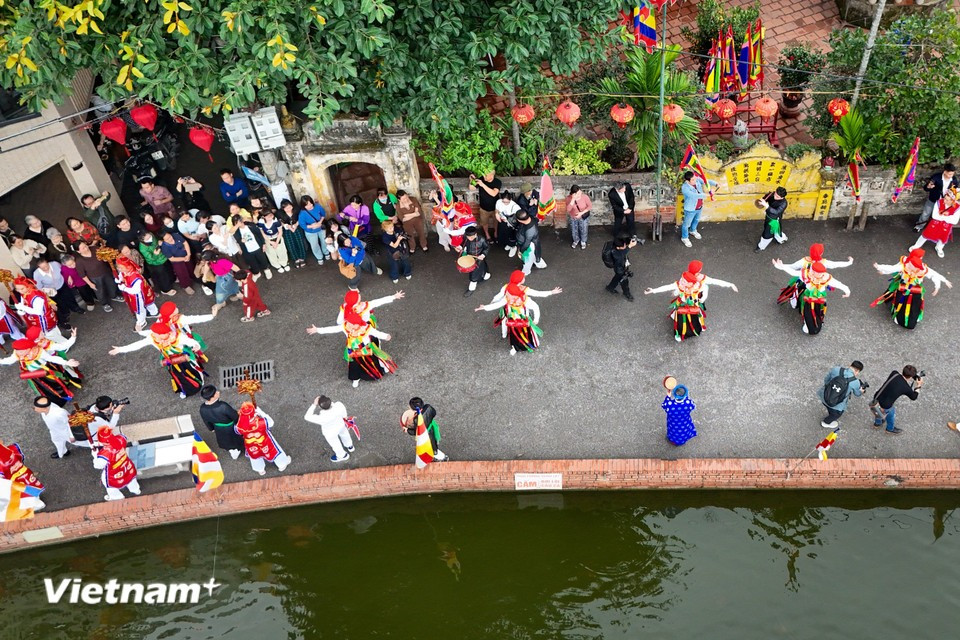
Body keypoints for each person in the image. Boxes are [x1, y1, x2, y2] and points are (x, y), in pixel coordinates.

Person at [644, 260, 739, 342]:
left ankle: (682, 334)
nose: (683, 282)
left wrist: (655, 291)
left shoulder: (684, 281)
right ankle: (692, 329)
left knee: (683, 319)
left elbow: (670, 287)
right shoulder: (697, 283)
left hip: (685, 303)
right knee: (693, 316)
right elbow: (713, 283)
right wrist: (729, 285)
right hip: (693, 302)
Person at [474, 270, 562, 355]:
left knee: (511, 328)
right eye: (523, 277)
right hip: (520, 317)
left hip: (511, 315)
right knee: (523, 331)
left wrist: (486, 306)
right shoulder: (524, 297)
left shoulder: (507, 292)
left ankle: (508, 339)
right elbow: (536, 301)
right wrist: (536, 319)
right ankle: (519, 344)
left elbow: (498, 301)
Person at [109, 322, 206, 398]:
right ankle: (184, 389)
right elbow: (138, 344)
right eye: (154, 334)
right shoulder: (153, 338)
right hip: (170, 360)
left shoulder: (178, 337)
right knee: (177, 375)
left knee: (194, 368)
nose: (154, 335)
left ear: (165, 333)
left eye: (156, 334)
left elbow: (190, 341)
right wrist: (120, 349)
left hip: (185, 357)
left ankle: (200, 381)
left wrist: (196, 345)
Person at [307, 309, 397, 387]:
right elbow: (333, 329)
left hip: (365, 350)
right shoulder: (345, 327)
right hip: (353, 351)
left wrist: (386, 336)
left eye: (351, 323)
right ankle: (356, 379)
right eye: (348, 322)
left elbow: (376, 333)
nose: (348, 325)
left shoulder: (366, 328)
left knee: (372, 361)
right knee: (354, 366)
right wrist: (318, 330)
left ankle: (378, 371)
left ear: (357, 324)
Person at [872, 248, 952, 329]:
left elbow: (934, 275)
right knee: (900, 301)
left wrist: (940, 284)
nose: (909, 265)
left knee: (914, 305)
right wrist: (880, 268)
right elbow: (893, 268)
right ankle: (898, 316)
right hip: (903, 287)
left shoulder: (923, 269)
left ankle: (911, 318)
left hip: (915, 291)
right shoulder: (905, 264)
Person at [772, 260, 850, 334]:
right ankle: (807, 322)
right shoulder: (806, 274)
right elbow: (793, 272)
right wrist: (781, 266)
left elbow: (838, 284)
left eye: (821, 273)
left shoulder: (826, 278)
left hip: (819, 299)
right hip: (808, 298)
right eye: (817, 272)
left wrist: (847, 291)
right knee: (807, 310)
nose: (819, 275)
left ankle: (812, 325)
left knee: (816, 311)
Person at [0, 334, 79, 406]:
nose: (17, 352)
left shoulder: (39, 352)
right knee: (46, 388)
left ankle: (65, 393)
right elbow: (9, 360)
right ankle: (59, 396)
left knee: (56, 383)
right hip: (34, 375)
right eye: (17, 350)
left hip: (46, 371)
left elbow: (51, 358)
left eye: (20, 351)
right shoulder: (17, 353)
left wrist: (66, 362)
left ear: (28, 349)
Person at [777, 243, 853, 309]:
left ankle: (794, 305)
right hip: (817, 288)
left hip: (802, 281)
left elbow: (792, 268)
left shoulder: (804, 261)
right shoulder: (824, 265)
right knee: (812, 304)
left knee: (796, 294)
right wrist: (849, 262)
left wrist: (780, 265)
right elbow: (836, 264)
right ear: (821, 254)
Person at [235, 401, 291, 475]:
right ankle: (282, 464)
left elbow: (238, 432)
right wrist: (260, 411)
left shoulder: (239, 426)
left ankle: (260, 469)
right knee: (274, 451)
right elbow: (271, 422)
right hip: (265, 441)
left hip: (251, 444)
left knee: (254, 456)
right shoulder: (260, 422)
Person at [32, 256, 84, 329]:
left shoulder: (55, 264)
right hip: (51, 291)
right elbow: (39, 287)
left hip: (61, 284)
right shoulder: (36, 274)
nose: (46, 268)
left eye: (46, 266)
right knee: (60, 303)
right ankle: (66, 313)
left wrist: (69, 276)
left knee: (69, 297)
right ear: (38, 268)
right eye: (43, 268)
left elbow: (64, 270)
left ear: (48, 262)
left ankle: (76, 308)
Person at [869, 365, 923, 435]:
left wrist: (913, 376)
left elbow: (902, 379)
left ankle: (877, 423)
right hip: (886, 405)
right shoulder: (905, 387)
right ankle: (890, 429)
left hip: (877, 397)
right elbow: (914, 397)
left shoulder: (894, 373)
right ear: (910, 377)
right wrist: (919, 385)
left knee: (877, 410)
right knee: (891, 415)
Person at [92, 426, 141, 501]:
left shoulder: (105, 453)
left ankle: (118, 497)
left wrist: (95, 455)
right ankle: (136, 490)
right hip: (127, 466)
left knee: (110, 487)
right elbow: (119, 439)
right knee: (131, 479)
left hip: (115, 474)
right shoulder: (121, 439)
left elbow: (97, 465)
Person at [909, 188, 959, 258]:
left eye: (947, 200)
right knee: (925, 235)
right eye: (945, 198)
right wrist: (947, 218)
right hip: (935, 225)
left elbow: (955, 221)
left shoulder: (958, 208)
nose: (944, 201)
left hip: (945, 227)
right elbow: (934, 216)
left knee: (943, 238)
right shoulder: (938, 202)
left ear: (953, 201)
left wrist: (941, 217)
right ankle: (917, 245)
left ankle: (939, 248)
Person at [303, 395, 355, 462]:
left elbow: (307, 416)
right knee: (345, 434)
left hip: (330, 432)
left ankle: (342, 455)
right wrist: (345, 417)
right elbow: (344, 415)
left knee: (335, 444)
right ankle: (350, 446)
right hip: (341, 425)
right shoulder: (339, 405)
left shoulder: (321, 418)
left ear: (320, 406)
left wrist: (314, 404)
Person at [73, 241, 122, 312]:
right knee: (100, 292)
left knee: (112, 285)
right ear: (78, 251)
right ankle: (104, 304)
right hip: (94, 277)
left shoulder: (95, 248)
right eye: (83, 248)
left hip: (105, 271)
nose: (86, 248)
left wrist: (105, 259)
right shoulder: (79, 261)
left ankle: (114, 296)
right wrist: (90, 284)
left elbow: (103, 257)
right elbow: (82, 275)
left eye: (85, 246)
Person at [198, 385, 244, 460]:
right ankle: (237, 450)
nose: (218, 392)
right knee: (235, 439)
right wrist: (239, 423)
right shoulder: (223, 406)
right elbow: (235, 416)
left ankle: (232, 451)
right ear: (212, 397)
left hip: (218, 428)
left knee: (225, 440)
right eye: (216, 392)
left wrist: (211, 428)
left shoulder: (203, 408)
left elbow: (206, 420)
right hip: (230, 427)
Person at [115, 256, 159, 331]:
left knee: (139, 309)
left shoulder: (135, 277)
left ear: (127, 267)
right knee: (149, 302)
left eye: (121, 267)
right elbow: (122, 276)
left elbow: (136, 290)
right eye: (118, 267)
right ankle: (154, 312)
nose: (119, 269)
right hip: (144, 291)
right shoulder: (126, 271)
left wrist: (124, 288)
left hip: (137, 296)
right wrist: (119, 280)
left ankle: (142, 322)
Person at [818, 361, 865, 429]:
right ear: (857, 371)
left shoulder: (836, 369)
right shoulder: (855, 382)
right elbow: (857, 394)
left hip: (824, 396)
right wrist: (861, 391)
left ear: (849, 365)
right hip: (836, 405)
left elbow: (826, 380)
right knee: (836, 414)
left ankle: (829, 411)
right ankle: (826, 422)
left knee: (828, 406)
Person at [914, 163, 959, 232]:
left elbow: (955, 190)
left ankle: (935, 228)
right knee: (926, 213)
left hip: (945, 201)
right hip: (933, 199)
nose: (951, 176)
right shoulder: (936, 177)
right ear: (945, 172)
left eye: (952, 174)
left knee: (940, 215)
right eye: (950, 174)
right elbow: (926, 188)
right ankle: (919, 226)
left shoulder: (954, 180)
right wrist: (929, 187)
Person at [401, 397, 447, 465]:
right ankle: (437, 454)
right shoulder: (428, 407)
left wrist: (407, 430)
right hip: (432, 429)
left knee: (430, 447)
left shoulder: (417, 420)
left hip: (426, 435)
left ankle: (441, 457)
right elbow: (434, 413)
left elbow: (417, 431)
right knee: (434, 443)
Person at [0, 442, 45, 510]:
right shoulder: (6, 451)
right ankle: (36, 500)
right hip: (21, 472)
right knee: (29, 486)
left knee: (23, 492)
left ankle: (35, 504)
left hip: (14, 478)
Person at [679, 172, 716, 248]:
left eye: (695, 178)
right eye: (693, 180)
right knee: (686, 224)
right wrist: (708, 194)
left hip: (699, 207)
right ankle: (684, 237)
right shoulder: (685, 188)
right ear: (688, 181)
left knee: (696, 220)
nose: (695, 180)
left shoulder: (696, 180)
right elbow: (694, 195)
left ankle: (693, 230)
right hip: (690, 209)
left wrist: (715, 184)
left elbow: (706, 181)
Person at [138, 230, 177, 296]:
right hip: (156, 263)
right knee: (162, 277)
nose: (150, 238)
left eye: (150, 236)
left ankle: (172, 280)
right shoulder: (143, 248)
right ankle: (166, 290)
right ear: (142, 240)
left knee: (169, 270)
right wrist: (155, 254)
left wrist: (160, 242)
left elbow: (157, 240)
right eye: (147, 238)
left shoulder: (152, 236)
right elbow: (151, 259)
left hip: (164, 257)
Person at [661, 377, 697, 446]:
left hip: (673, 423)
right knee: (684, 431)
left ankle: (673, 441)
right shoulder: (688, 403)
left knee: (673, 431)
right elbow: (693, 406)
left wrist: (668, 396)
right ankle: (682, 441)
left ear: (674, 395)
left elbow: (663, 405)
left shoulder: (669, 404)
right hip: (684, 422)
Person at [457, 226, 491, 297]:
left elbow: (487, 248)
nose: (470, 239)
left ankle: (471, 288)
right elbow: (463, 244)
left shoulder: (481, 239)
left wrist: (483, 255)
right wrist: (460, 247)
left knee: (473, 275)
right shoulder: (466, 237)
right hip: (469, 257)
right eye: (468, 237)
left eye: (471, 237)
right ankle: (486, 276)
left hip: (478, 258)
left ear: (475, 234)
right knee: (483, 267)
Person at [159, 229, 196, 294]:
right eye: (167, 239)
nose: (170, 239)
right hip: (177, 261)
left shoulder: (175, 235)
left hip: (186, 255)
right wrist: (184, 258)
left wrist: (188, 254)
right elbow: (172, 259)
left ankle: (194, 277)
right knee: (182, 273)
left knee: (190, 267)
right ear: (163, 240)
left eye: (170, 236)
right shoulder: (164, 247)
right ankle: (186, 286)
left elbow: (185, 242)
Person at [470, 170, 502, 242]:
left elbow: (494, 193)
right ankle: (487, 234)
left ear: (492, 175)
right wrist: (471, 181)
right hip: (483, 208)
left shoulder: (497, 182)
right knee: (484, 223)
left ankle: (496, 233)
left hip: (495, 208)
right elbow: (471, 188)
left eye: (486, 175)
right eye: (483, 175)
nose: (484, 177)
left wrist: (483, 185)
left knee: (496, 222)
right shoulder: (481, 179)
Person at [298, 195, 330, 265]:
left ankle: (326, 252)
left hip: (320, 228)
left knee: (325, 241)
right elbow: (302, 225)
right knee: (314, 245)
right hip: (310, 231)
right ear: (303, 206)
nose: (310, 206)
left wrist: (320, 222)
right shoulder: (302, 213)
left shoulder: (317, 206)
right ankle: (319, 257)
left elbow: (323, 214)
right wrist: (312, 226)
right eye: (307, 205)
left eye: (310, 204)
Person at [755, 186, 788, 251]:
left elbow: (776, 212)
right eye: (775, 194)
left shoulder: (784, 203)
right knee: (777, 230)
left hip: (774, 219)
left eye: (778, 197)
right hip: (769, 216)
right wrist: (761, 201)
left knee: (768, 233)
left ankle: (761, 246)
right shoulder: (772, 194)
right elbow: (765, 198)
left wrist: (766, 206)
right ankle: (781, 239)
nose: (775, 197)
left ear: (782, 197)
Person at [514, 209, 547, 275]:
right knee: (535, 256)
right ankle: (540, 264)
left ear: (520, 220)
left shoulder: (531, 230)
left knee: (527, 260)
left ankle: (526, 271)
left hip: (529, 247)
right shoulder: (531, 219)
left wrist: (521, 250)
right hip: (531, 245)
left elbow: (527, 243)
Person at [257, 209, 290, 273]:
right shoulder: (261, 222)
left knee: (281, 251)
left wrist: (276, 242)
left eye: (271, 215)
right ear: (264, 217)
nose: (271, 217)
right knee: (271, 253)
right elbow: (262, 233)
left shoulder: (276, 221)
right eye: (269, 216)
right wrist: (270, 242)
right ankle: (277, 265)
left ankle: (284, 263)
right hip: (268, 239)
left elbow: (280, 232)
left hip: (277, 237)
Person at [278, 199, 309, 268]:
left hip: (297, 227)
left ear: (292, 205)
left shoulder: (296, 210)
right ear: (283, 209)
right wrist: (287, 226)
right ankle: (296, 259)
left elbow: (300, 218)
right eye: (286, 208)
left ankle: (302, 258)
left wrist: (295, 225)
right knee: (290, 244)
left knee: (300, 242)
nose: (288, 209)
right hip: (287, 230)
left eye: (289, 207)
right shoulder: (280, 213)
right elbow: (280, 221)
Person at [605, 235, 637, 301]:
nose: (625, 246)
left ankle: (610, 287)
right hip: (620, 269)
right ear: (618, 248)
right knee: (624, 281)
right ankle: (626, 293)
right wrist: (629, 246)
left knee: (617, 277)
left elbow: (624, 248)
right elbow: (623, 253)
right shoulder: (617, 255)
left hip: (618, 268)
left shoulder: (616, 245)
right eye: (623, 246)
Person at [381, 220, 412, 284]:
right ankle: (394, 276)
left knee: (405, 261)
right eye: (390, 228)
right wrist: (398, 239)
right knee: (394, 265)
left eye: (392, 226)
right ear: (385, 229)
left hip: (401, 249)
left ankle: (407, 273)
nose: (392, 229)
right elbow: (394, 246)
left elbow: (401, 232)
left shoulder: (396, 229)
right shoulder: (385, 237)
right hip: (392, 251)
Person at [494, 191, 521, 256]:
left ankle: (513, 247)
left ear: (510, 200)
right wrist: (496, 214)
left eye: (507, 202)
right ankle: (508, 244)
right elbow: (497, 209)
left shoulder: (514, 206)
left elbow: (519, 215)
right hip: (502, 221)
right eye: (504, 202)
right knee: (503, 234)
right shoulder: (499, 202)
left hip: (511, 223)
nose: (505, 203)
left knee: (511, 236)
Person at [565, 185, 593, 250]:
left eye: (580, 192)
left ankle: (583, 241)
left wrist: (581, 213)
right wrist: (573, 199)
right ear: (573, 193)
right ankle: (576, 240)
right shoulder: (568, 198)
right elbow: (568, 209)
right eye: (578, 193)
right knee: (574, 230)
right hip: (573, 217)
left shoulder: (584, 197)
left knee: (584, 229)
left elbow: (590, 206)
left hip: (583, 216)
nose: (580, 194)